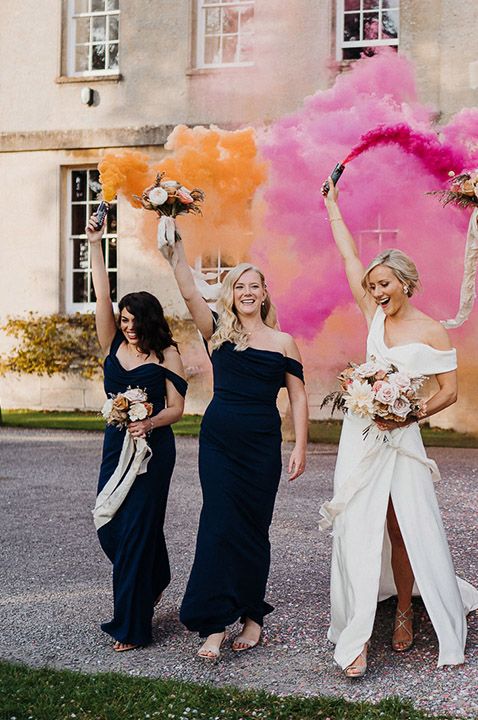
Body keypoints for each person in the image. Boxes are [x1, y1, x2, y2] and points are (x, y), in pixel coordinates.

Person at [320, 177, 478, 677]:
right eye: (372, 287)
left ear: (405, 283)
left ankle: (407, 610)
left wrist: (409, 414)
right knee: (359, 523)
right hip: (361, 437)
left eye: (384, 284)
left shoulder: (432, 329)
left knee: (402, 524)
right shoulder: (372, 317)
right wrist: (333, 208)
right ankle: (357, 633)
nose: (376, 292)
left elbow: (448, 391)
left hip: (403, 438)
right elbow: (347, 258)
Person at [166, 236, 308, 660]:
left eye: (254, 286)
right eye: (239, 286)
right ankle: (213, 622)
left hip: (262, 444)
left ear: (264, 293)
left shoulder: (284, 342)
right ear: (231, 294)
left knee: (253, 529)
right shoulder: (217, 332)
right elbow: (189, 290)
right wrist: (176, 251)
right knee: (219, 524)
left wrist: (301, 446)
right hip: (220, 442)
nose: (247, 293)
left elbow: (298, 397)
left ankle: (251, 616)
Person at [86, 210, 187, 652]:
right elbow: (102, 295)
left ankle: (131, 625)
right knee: (111, 526)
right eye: (123, 320)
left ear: (148, 321)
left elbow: (180, 408)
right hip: (116, 446)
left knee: (137, 532)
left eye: (133, 321)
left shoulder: (166, 353)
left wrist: (148, 420)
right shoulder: (111, 342)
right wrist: (95, 242)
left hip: (152, 450)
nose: (126, 326)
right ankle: (157, 577)